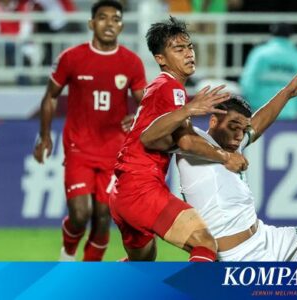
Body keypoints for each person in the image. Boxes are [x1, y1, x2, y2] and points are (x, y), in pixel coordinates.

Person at [177, 65, 297, 262]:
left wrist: (287, 92)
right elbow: (179, 137)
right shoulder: (192, 140)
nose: (239, 135)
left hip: (265, 237)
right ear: (213, 121)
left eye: (243, 129)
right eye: (233, 127)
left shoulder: (233, 143)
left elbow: (258, 123)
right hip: (235, 254)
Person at [109, 16, 247, 262]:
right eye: (178, 49)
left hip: (122, 191)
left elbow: (171, 138)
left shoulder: (161, 88)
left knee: (142, 264)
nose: (188, 54)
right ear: (160, 59)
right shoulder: (171, 88)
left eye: (189, 47)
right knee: (204, 243)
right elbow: (172, 140)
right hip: (141, 187)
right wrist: (225, 156)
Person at [33, 0, 147, 262]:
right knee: (80, 215)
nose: (110, 24)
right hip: (79, 148)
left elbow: (145, 103)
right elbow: (51, 96)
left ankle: (86, 277)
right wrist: (45, 135)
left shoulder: (130, 63)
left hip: (113, 153)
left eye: (116, 19)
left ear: (121, 25)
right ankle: (68, 252)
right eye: (103, 18)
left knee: (103, 217)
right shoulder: (72, 57)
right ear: (91, 23)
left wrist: (138, 117)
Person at [239, 23, 297, 120]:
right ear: (290, 35)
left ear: (272, 34)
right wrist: (294, 106)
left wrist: (257, 104)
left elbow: (247, 83)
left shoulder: (259, 54)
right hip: (289, 114)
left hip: (261, 114)